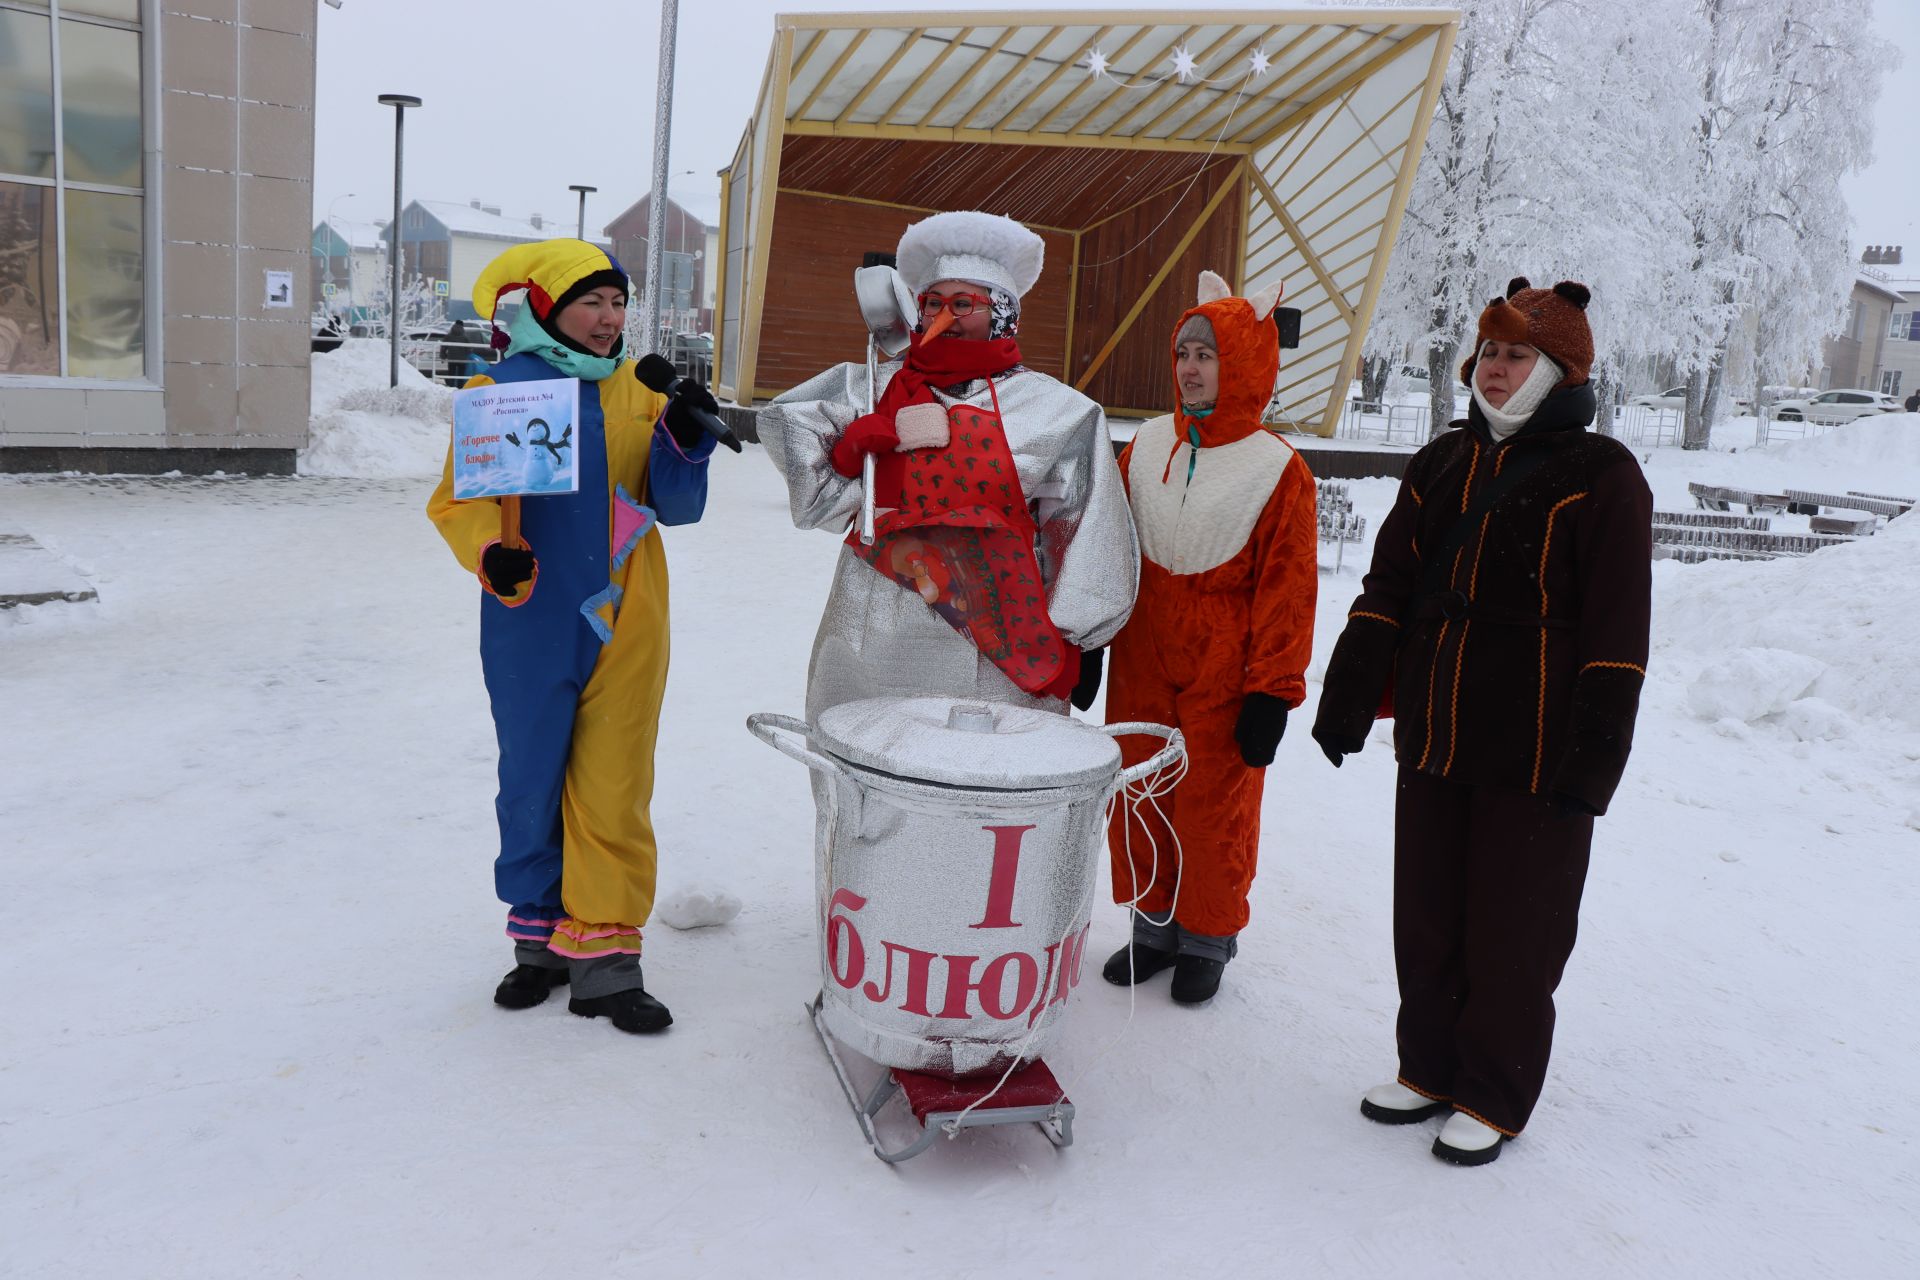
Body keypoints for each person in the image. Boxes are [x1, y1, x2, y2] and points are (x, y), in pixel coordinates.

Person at [1311, 277, 1652, 1165]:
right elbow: (1388, 583)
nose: (1494, 370)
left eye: (1515, 355)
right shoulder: (1441, 461)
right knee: (1426, 910)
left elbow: (1619, 635)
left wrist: (1591, 764)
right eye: (1488, 353)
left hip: (1536, 749)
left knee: (1516, 926)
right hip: (1436, 729)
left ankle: (1492, 1091)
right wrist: (1350, 692)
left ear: (1560, 370)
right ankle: (1426, 1067)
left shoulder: (1603, 475)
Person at [427, 239, 720, 1035]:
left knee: (615, 778)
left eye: (618, 303)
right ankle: (538, 944)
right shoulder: (503, 388)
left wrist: (686, 439)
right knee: (532, 772)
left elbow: (677, 505)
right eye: (592, 302)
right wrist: (493, 554)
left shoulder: (640, 387)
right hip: (530, 612)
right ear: (550, 308)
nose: (608, 319)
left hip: (628, 609)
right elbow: (460, 501)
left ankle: (606, 963)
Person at [757, 210, 1137, 722]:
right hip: (874, 623)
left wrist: (1083, 638)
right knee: (866, 760)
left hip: (996, 640)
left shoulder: (1059, 410)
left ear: (1002, 313)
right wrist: (848, 453)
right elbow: (786, 427)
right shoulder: (870, 387)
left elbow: (1088, 526)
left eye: (964, 304)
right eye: (932, 302)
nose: (945, 316)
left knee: (979, 777)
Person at [1098, 270, 1319, 1005]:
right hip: (1143, 647)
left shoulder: (1278, 469)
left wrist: (1274, 690)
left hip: (1227, 661)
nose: (1191, 368)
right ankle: (1153, 925)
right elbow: (1109, 550)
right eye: (1184, 352)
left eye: (1209, 354)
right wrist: (1087, 642)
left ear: (1246, 361)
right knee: (1140, 789)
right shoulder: (1147, 445)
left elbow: (1289, 590)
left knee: (1213, 804)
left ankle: (1207, 937)